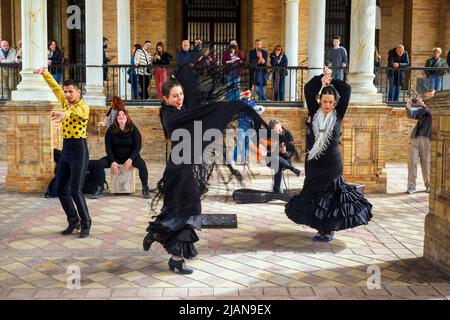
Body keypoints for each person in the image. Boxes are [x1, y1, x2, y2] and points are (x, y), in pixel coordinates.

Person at [142, 65, 268, 274]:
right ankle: (175, 258)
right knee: (188, 210)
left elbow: (201, 109)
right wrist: (230, 107)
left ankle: (157, 235)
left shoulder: (180, 112)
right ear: (165, 99)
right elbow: (202, 115)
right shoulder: (172, 117)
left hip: (182, 167)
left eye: (180, 94)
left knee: (177, 207)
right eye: (174, 96)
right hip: (180, 169)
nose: (179, 98)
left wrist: (235, 102)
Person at [285, 66, 372, 242]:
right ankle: (320, 229)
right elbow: (308, 89)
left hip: (332, 164)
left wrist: (332, 80)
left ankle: (329, 230)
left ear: (334, 103)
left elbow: (346, 89)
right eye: (324, 101)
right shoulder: (313, 111)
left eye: (330, 102)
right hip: (314, 164)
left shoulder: (338, 114)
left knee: (331, 198)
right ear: (320, 100)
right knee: (316, 197)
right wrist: (321, 78)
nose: (326, 105)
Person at [34, 66, 92, 238]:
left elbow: (75, 113)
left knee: (75, 190)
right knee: (60, 188)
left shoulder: (83, 107)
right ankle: (73, 220)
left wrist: (63, 114)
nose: (67, 95)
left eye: (71, 92)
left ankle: (86, 223)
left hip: (79, 150)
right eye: (66, 92)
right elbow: (55, 87)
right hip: (66, 150)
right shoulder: (65, 101)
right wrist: (45, 73)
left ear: (78, 92)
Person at [91, 108, 150, 199]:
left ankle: (145, 187)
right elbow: (108, 148)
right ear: (116, 118)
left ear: (127, 117)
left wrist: (131, 159)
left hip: (130, 157)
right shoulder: (111, 130)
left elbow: (138, 146)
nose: (121, 116)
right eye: (119, 115)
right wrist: (113, 161)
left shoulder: (133, 129)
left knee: (142, 164)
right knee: (99, 164)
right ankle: (99, 187)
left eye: (123, 115)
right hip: (116, 157)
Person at [405, 96, 432, 194]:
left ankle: (429, 185)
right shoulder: (422, 109)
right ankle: (411, 186)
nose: (427, 98)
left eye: (430, 96)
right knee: (412, 162)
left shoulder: (436, 109)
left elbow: (433, 113)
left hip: (427, 139)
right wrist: (408, 105)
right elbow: (411, 114)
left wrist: (423, 105)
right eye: (427, 96)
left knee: (426, 164)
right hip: (415, 138)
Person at [267, 119, 300, 194]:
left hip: (285, 160)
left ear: (281, 126)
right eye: (275, 131)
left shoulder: (288, 135)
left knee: (278, 165)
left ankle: (276, 190)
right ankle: (293, 169)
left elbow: (292, 151)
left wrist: (285, 152)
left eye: (278, 130)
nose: (277, 133)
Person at [233, 89, 265, 164]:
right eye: (246, 93)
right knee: (240, 143)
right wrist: (240, 96)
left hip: (250, 126)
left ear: (250, 94)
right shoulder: (240, 102)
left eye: (248, 92)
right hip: (241, 125)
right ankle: (233, 159)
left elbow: (261, 109)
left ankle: (243, 160)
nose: (247, 94)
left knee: (246, 143)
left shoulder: (253, 103)